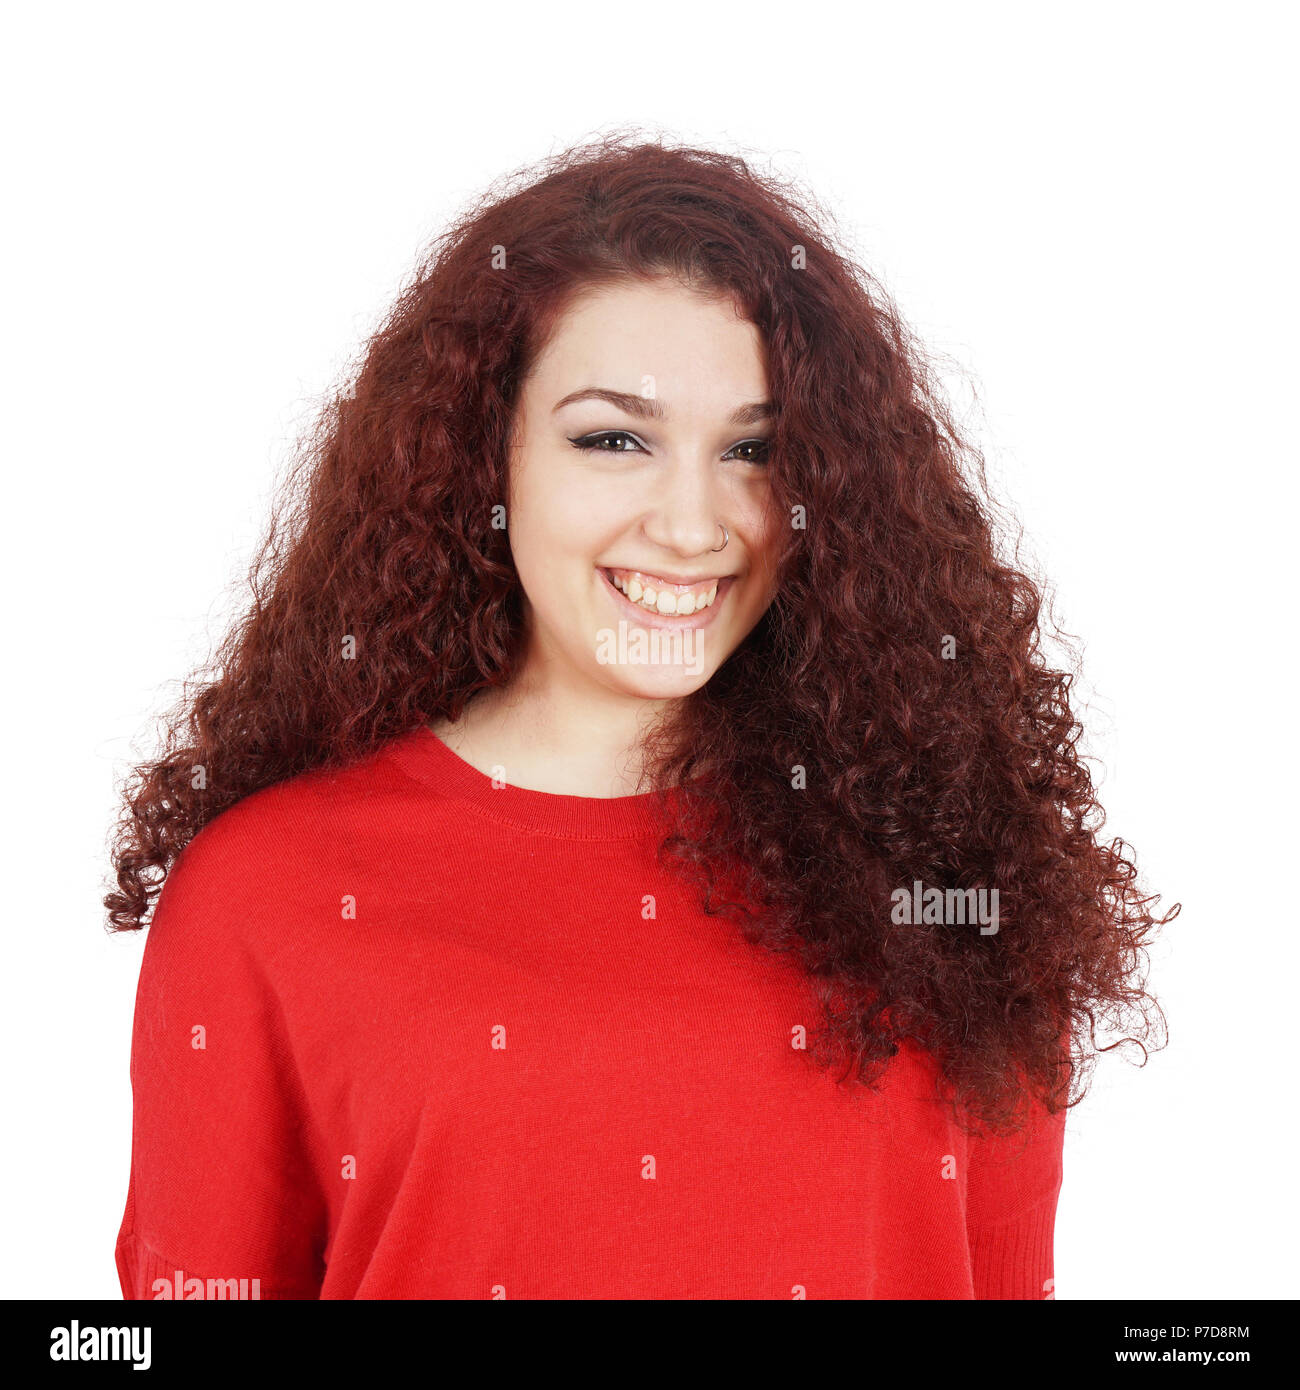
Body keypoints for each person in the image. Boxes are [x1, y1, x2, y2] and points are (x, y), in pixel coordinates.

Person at [108, 138, 1173, 1300]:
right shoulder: (267, 891)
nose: (690, 522)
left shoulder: (949, 865)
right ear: (488, 456)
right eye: (613, 438)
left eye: (752, 451)